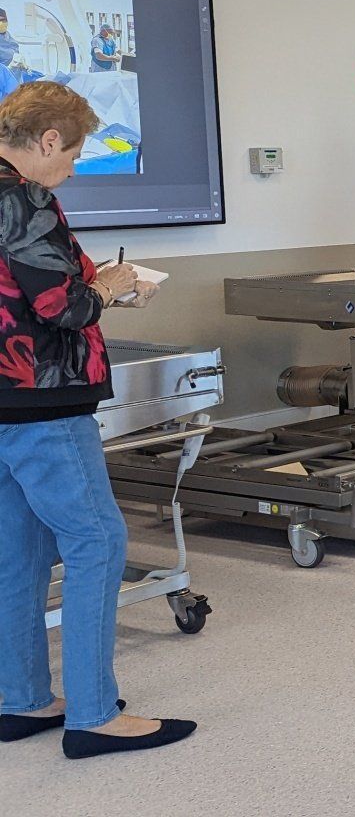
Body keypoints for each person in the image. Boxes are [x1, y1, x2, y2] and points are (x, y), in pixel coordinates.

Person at [0, 82, 190, 760]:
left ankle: (20, 698)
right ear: (47, 140)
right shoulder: (22, 198)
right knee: (97, 540)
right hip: (41, 399)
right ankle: (93, 714)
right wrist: (111, 287)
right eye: (73, 154)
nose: (73, 168)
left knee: (18, 548)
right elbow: (63, 308)